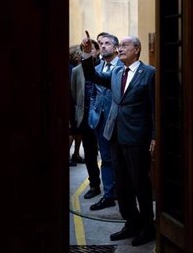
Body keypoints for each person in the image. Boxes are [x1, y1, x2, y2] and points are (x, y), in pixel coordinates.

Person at [81, 34, 156, 247]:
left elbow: (155, 107)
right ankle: (131, 222)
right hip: (114, 134)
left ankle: (148, 227)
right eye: (120, 46)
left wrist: (154, 135)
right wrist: (87, 53)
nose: (120, 49)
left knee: (139, 183)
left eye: (125, 45)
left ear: (137, 50)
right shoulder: (115, 72)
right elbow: (91, 77)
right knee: (122, 184)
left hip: (137, 137)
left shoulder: (149, 73)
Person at [87, 32, 123, 211]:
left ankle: (123, 194)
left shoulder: (123, 67)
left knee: (121, 159)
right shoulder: (98, 67)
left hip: (118, 121)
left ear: (116, 48)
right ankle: (109, 195)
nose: (102, 46)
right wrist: (92, 112)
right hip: (100, 120)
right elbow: (93, 93)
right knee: (106, 159)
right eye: (100, 43)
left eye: (107, 43)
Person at [71, 38, 102, 199]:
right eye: (88, 50)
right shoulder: (77, 71)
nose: (91, 52)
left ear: (97, 52)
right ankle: (94, 185)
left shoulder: (104, 68)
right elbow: (75, 95)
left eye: (94, 49)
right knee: (90, 154)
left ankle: (113, 188)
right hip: (85, 118)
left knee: (108, 154)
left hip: (102, 118)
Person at [68, 45, 83, 166]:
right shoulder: (72, 69)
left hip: (75, 104)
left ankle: (76, 154)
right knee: (72, 131)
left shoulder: (75, 68)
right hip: (72, 104)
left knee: (77, 130)